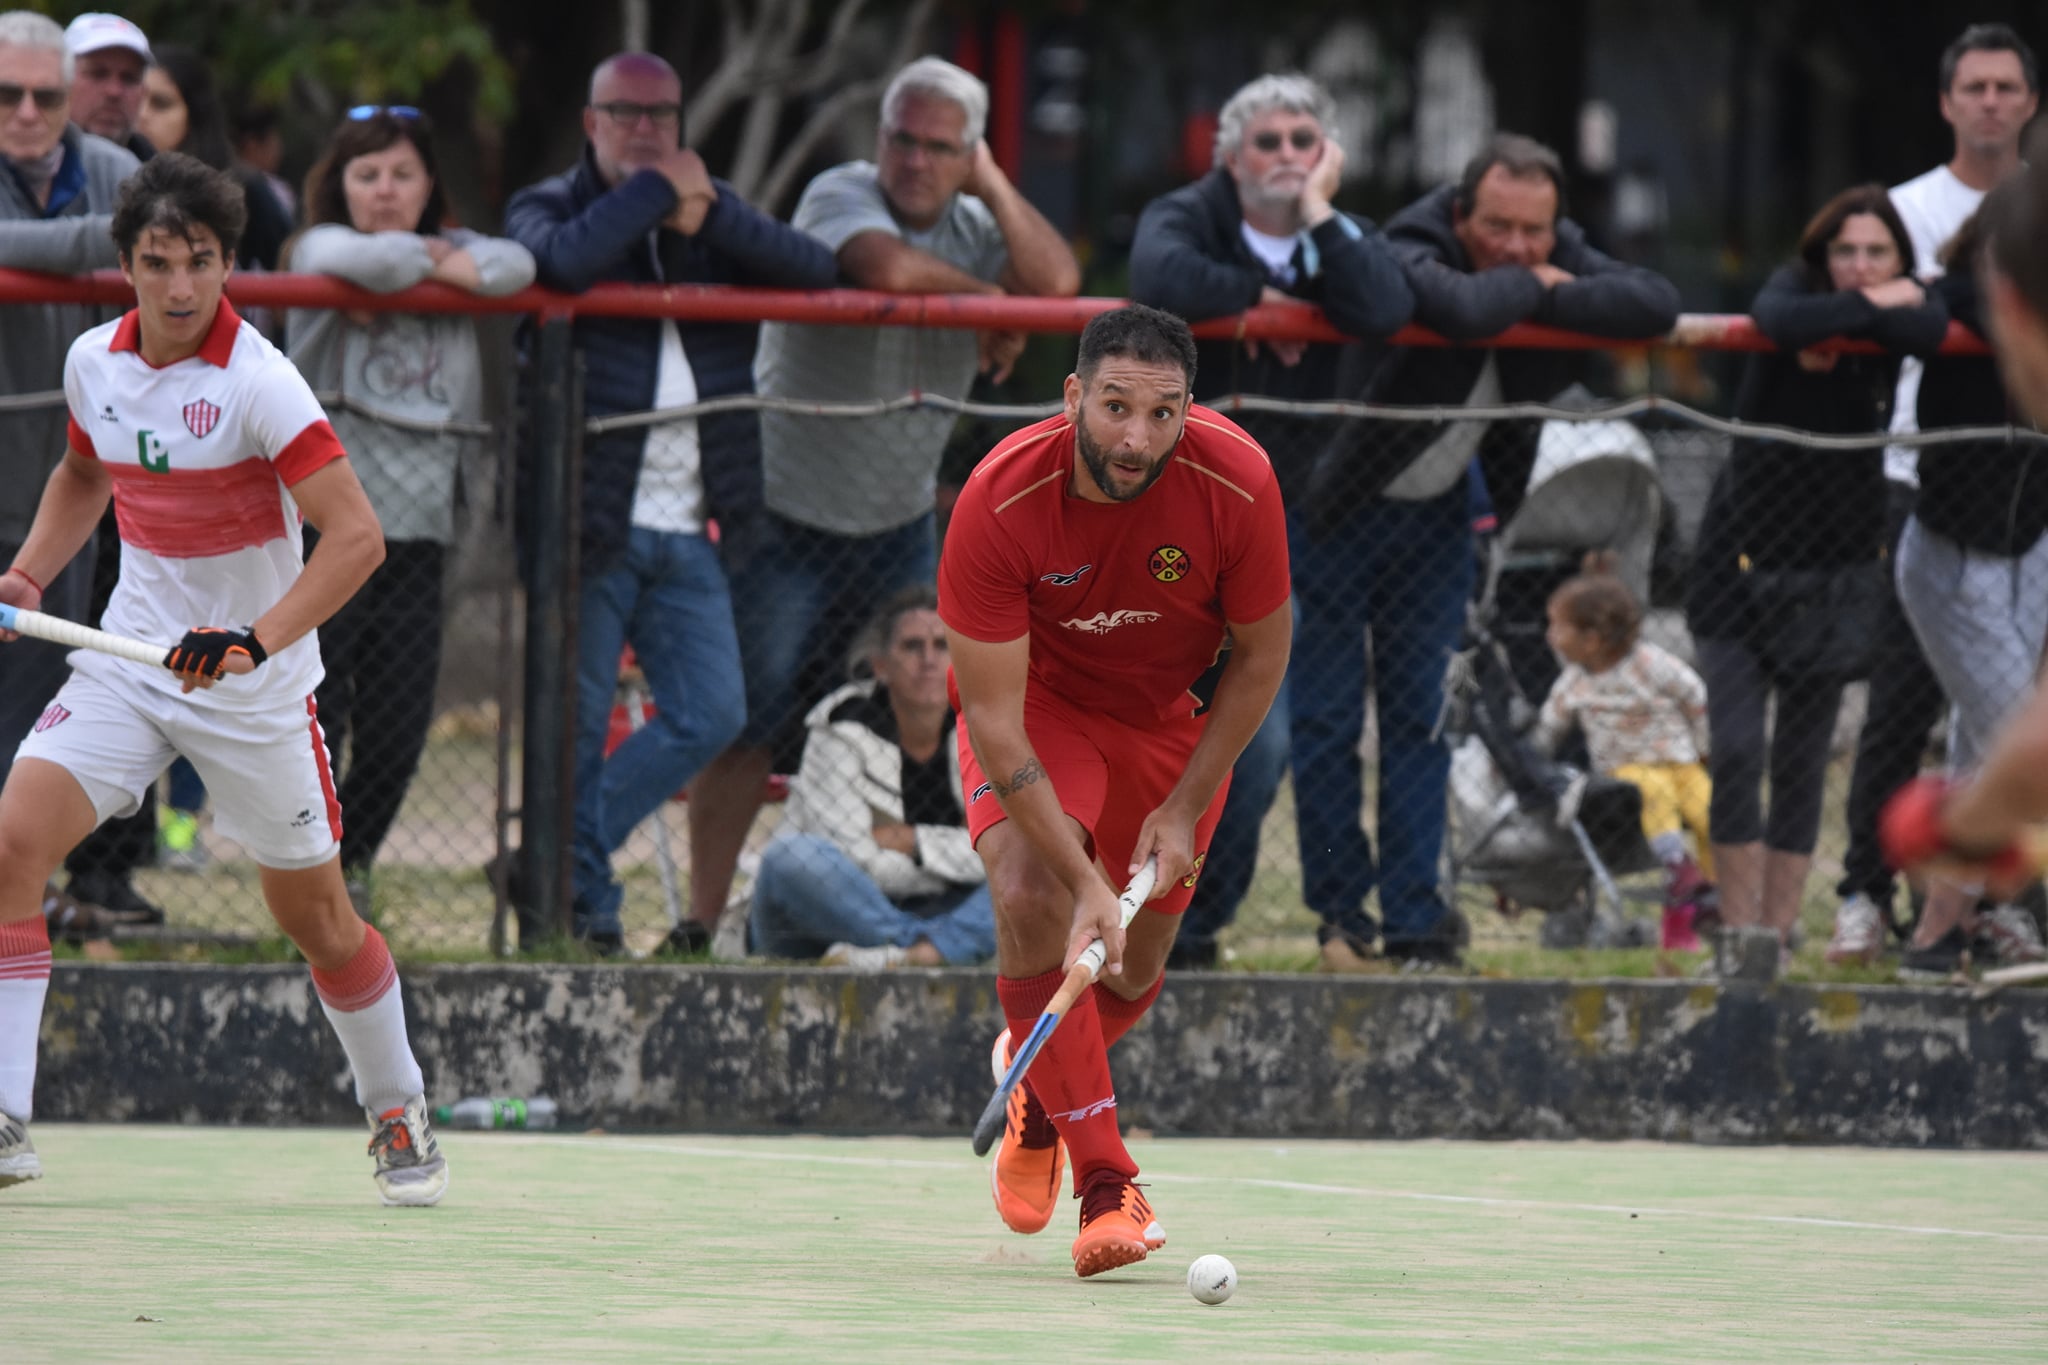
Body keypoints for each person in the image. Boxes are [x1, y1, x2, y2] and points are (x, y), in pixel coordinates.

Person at [0, 152, 446, 1203]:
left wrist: (254, 638)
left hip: (253, 691)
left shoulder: (261, 382)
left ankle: (397, 1107)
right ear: (126, 265)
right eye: (159, 263)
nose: (181, 286)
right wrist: (26, 573)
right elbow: (84, 472)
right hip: (131, 663)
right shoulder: (93, 364)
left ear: (228, 263)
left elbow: (357, 538)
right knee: (13, 842)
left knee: (318, 921)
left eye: (200, 262)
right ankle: (6, 1116)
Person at [689, 56, 1082, 950]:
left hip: (900, 523)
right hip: (785, 518)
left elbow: (1058, 282)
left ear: (970, 155)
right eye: (902, 138)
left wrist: (992, 185)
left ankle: (906, 917)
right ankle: (699, 924)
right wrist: (992, 306)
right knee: (750, 725)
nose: (913, 159)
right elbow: (882, 266)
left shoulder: (979, 221)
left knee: (920, 717)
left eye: (940, 147)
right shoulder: (841, 191)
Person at [940, 304, 1291, 1277]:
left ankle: (1040, 1094)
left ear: (1189, 409)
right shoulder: (998, 498)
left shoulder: (1239, 480)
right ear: (1072, 397)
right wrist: (1083, 881)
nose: (1136, 438)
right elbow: (995, 720)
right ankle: (1108, 1182)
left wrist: (1182, 804)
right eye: (1115, 407)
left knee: (1129, 973)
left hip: (1165, 723)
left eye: (1162, 413)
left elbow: (1262, 657)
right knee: (1027, 890)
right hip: (1040, 706)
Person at [1296, 133, 1681, 970]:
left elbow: (1653, 304)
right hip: (1337, 511)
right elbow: (1462, 311)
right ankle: (1339, 917)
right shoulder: (1412, 238)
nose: (1515, 245)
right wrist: (1542, 286)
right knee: (1325, 722)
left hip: (1442, 519)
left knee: (1427, 719)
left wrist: (1537, 279)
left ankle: (1417, 923)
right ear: (1461, 212)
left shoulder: (1550, 243)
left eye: (1535, 233)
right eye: (1497, 228)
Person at [504, 52, 836, 953]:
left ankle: (548, 859)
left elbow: (814, 268)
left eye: (663, 116)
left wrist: (712, 209)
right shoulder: (549, 204)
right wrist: (658, 192)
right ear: (591, 122)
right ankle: (585, 914)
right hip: (587, 521)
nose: (646, 129)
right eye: (626, 113)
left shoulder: (706, 213)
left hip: (694, 523)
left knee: (713, 711)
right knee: (573, 728)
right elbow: (562, 263)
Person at [1126, 71, 1411, 970]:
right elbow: (1159, 277)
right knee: (1154, 730)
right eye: (1269, 142)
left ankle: (1200, 925)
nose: (1287, 156)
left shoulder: (1336, 231)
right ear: (1231, 157)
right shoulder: (1189, 214)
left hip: (1299, 528)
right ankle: (1139, 913)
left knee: (1269, 742)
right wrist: (1264, 304)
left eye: (1304, 142)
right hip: (1176, 527)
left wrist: (1318, 215)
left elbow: (1386, 305)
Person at [1684, 184, 1948, 970]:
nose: (1859, 266)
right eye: (1845, 251)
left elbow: (1932, 327)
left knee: (1802, 756)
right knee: (1737, 747)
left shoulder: (1902, 312)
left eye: (1877, 254)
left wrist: (1866, 315)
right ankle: (1739, 935)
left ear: (1901, 257)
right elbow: (1780, 321)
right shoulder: (1793, 292)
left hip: (1836, 565)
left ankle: (1779, 928)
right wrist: (1870, 307)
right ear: (1820, 254)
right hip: (1738, 559)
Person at [288, 106, 535, 917]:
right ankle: (305, 877)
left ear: (432, 184)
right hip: (323, 531)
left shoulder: (452, 251)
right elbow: (348, 257)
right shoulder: (320, 249)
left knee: (399, 726)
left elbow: (516, 265)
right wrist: (434, 265)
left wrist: (417, 265)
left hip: (420, 530)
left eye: (403, 174)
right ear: (340, 185)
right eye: (367, 176)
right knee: (316, 716)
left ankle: (347, 868)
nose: (386, 192)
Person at [1827, 23, 2039, 965]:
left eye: (2007, 86)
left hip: (2029, 515)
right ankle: (1879, 898)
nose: (1991, 102)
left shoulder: (2030, 216)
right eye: (1975, 87)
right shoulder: (1911, 213)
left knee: (1994, 721)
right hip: (1930, 491)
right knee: (1914, 705)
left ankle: (1964, 912)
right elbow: (1842, 295)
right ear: (1948, 102)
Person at [0, 10, 141, 930]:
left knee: (41, 707)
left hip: (70, 493)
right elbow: (132, 235)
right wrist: (106, 240)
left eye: (46, 95)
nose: (26, 111)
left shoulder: (113, 167)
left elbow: (173, 235)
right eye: (7, 94)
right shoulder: (119, 190)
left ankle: (22, 898)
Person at [1883, 197, 2048, 977]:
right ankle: (1944, 930)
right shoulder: (1946, 298)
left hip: (2027, 546)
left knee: (1993, 732)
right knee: (1994, 723)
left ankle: (1943, 927)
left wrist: (1948, 822)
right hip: (1958, 550)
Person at [748, 585, 994, 967]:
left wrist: (912, 841)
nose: (929, 660)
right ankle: (929, 950)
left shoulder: (986, 730)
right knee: (789, 857)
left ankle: (915, 955)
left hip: (946, 908)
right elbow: (854, 862)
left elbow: (1002, 850)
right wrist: (957, 856)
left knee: (1040, 863)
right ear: (881, 666)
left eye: (942, 646)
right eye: (912, 646)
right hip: (832, 916)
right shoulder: (840, 727)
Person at [1534, 560, 1713, 951]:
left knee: (1708, 811)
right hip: (1625, 768)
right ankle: (1677, 867)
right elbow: (1549, 727)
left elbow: (1695, 696)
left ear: (1592, 639)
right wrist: (1531, 764)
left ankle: (1715, 895)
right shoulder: (1574, 682)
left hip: (1681, 762)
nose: (1548, 635)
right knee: (1653, 793)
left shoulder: (1651, 663)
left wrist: (1704, 749)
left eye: (1557, 626)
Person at [135, 44, 293, 269]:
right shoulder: (106, 174)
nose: (142, 115)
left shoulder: (244, 188)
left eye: (161, 104)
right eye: (137, 101)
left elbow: (285, 269)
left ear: (195, 114)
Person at [62, 12, 148, 159]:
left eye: (129, 78)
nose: (114, 91)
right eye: (98, 74)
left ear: (144, 93)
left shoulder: (162, 170)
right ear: (61, 82)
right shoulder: (26, 165)